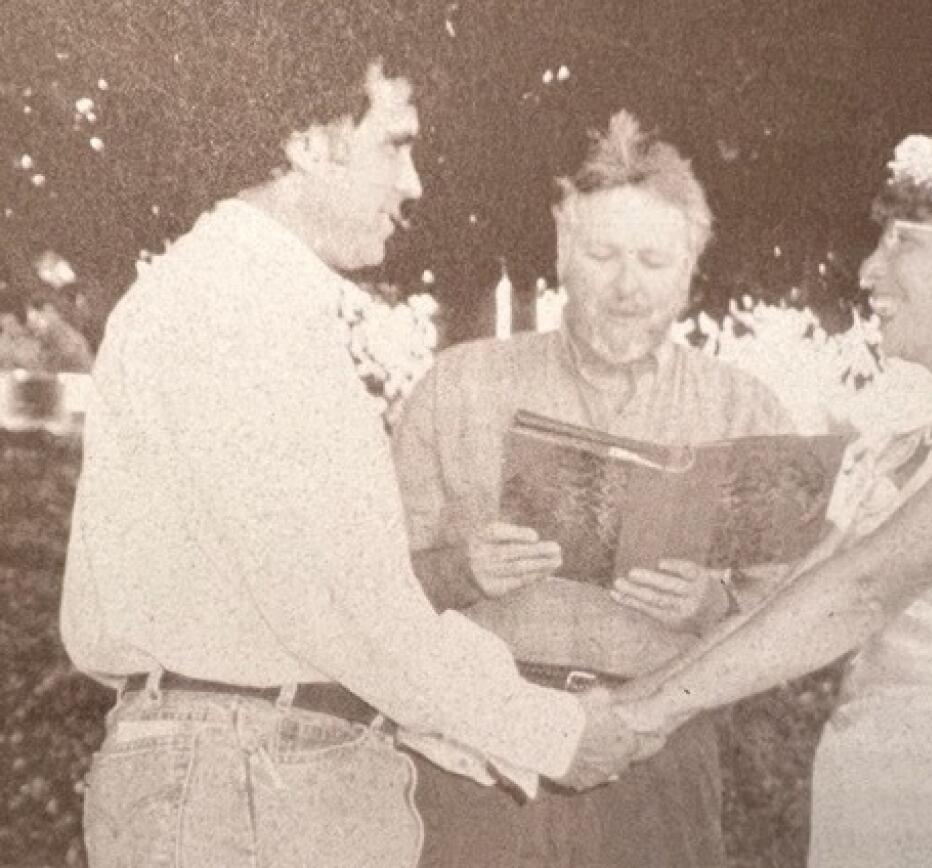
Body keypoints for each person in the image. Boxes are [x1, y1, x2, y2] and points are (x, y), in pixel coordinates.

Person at [60, 58, 649, 868]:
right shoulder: (237, 307)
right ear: (308, 142)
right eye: (394, 145)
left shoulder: (224, 295)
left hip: (247, 769)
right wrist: (549, 730)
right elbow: (347, 601)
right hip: (253, 781)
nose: (413, 184)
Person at [614, 120, 932, 866]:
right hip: (872, 796)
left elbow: (864, 590)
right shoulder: (898, 439)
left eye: (904, 242)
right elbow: (797, 601)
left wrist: (644, 714)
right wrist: (625, 705)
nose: (867, 272)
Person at [391, 111, 796, 867]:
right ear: (562, 253)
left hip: (658, 756)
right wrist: (459, 570)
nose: (626, 285)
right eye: (603, 254)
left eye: (653, 259)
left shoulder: (747, 412)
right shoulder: (459, 387)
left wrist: (711, 605)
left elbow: (788, 616)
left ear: (689, 269)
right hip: (475, 753)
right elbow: (366, 587)